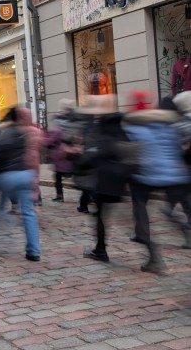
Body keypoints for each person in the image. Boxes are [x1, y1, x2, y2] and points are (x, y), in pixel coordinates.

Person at [121, 93, 189, 272]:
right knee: (169, 209)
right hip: (174, 174)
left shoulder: (134, 128)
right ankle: (185, 230)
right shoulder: (168, 126)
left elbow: (127, 153)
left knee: (140, 210)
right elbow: (178, 148)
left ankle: (154, 257)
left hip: (146, 175)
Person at [74, 95, 134, 265]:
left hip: (103, 180)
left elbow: (96, 152)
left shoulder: (101, 126)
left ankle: (101, 250)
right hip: (119, 180)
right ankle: (149, 249)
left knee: (101, 216)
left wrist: (81, 165)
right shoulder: (120, 125)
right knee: (117, 218)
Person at [0, 107, 42, 262]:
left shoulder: (4, 133)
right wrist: (35, 182)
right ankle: (34, 251)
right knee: (28, 213)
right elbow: (33, 158)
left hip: (7, 176)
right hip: (26, 176)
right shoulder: (29, 133)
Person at [46, 99, 79, 202]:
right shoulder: (74, 126)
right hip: (73, 156)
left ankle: (60, 196)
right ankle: (88, 196)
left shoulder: (57, 130)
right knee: (77, 176)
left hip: (61, 157)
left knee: (58, 177)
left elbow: (50, 142)